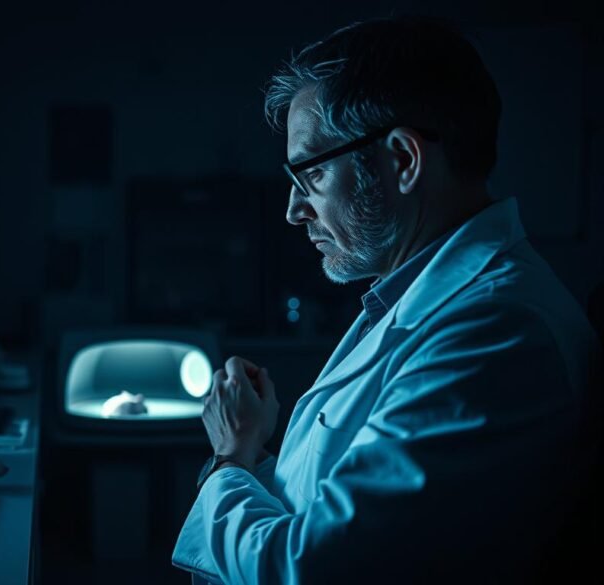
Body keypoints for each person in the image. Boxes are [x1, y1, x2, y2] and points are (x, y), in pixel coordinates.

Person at [172, 16, 601, 585]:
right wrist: (255, 456)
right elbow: (341, 512)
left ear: (403, 161)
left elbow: (314, 570)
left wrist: (229, 461)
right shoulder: (422, 300)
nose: (294, 210)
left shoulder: (497, 332)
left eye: (313, 174)